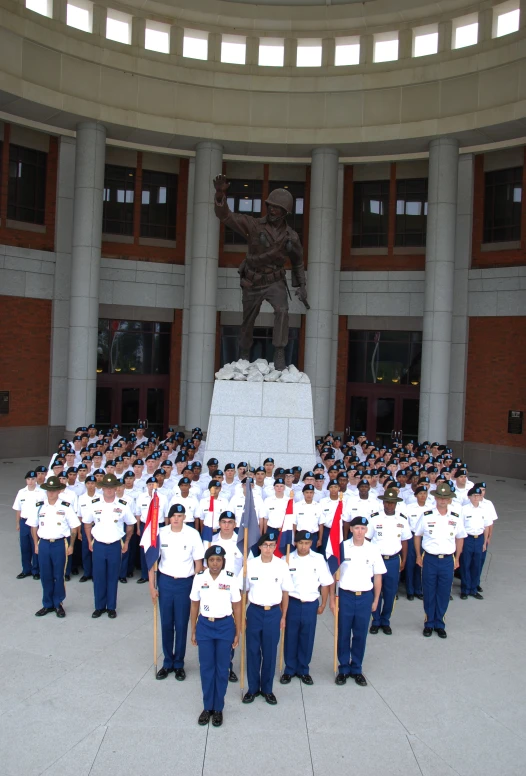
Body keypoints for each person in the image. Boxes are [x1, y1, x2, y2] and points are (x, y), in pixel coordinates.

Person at [213, 176, 308, 369]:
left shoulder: (291, 236)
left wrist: (302, 286)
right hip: (253, 281)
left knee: (282, 310)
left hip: (275, 281)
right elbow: (226, 216)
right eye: (270, 206)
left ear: (285, 212)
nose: (272, 210)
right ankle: (245, 351)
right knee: (248, 319)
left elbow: (298, 261)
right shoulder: (254, 225)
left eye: (277, 207)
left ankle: (280, 352)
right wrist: (220, 195)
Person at [150, 503, 205, 681]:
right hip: (165, 582)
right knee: (166, 623)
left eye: (180, 516)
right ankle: (167, 662)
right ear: (169, 517)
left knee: (181, 624)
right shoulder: (161, 533)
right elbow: (152, 561)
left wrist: (197, 588)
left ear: (184, 518)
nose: (176, 519)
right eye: (173, 515)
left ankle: (179, 663)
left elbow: (198, 564)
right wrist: (152, 587)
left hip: (185, 583)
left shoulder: (192, 534)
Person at [190, 545, 241, 728]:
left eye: (218, 560)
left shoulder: (230, 579)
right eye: (211, 560)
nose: (215, 563)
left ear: (223, 562)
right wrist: (193, 629)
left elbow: (237, 606)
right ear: (207, 561)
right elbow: (194, 604)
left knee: (222, 669)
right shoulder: (199, 578)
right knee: (206, 668)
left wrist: (238, 631)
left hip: (225, 626)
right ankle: (207, 707)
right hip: (205, 625)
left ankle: (218, 708)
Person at [242, 531, 293, 705]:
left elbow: (286, 592)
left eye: (271, 545)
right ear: (260, 547)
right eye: (265, 545)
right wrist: (242, 615)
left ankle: (267, 689)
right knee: (252, 650)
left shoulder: (282, 565)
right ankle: (252, 688)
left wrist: (283, 615)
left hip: (273, 613)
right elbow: (243, 592)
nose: (268, 548)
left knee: (270, 652)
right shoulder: (250, 565)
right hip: (254, 611)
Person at [335, 517, 386, 687]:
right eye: (356, 528)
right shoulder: (342, 547)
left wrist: (376, 599)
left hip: (365, 596)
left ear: (366, 530)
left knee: (360, 634)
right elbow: (334, 574)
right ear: (351, 529)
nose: (359, 532)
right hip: (346, 596)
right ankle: (343, 668)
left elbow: (378, 575)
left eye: (363, 528)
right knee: (343, 633)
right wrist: (334, 600)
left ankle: (356, 667)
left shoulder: (373, 549)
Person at [414, 481, 467, 638]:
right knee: (429, 592)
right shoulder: (426, 516)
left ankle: (440, 623)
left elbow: (460, 538)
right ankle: (429, 622)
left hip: (447, 560)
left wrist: (457, 558)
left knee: (444, 592)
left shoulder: (456, 518)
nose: (443, 500)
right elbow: (417, 535)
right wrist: (418, 555)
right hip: (430, 558)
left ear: (450, 499)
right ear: (436, 498)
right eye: (440, 497)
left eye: (446, 498)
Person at [280, 530, 333, 686]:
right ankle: (289, 669)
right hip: (293, 603)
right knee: (290, 636)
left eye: (307, 543)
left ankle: (303, 669)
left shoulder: (318, 559)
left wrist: (323, 603)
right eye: (301, 543)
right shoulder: (287, 559)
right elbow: (282, 586)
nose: (304, 546)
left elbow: (325, 583)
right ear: (296, 543)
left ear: (312, 543)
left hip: (310, 603)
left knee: (307, 637)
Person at [26, 475, 80, 618]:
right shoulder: (39, 506)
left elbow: (74, 527)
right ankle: (47, 604)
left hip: (59, 544)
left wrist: (71, 545)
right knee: (45, 575)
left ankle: (58, 603)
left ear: (59, 491)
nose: (51, 493)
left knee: (58, 575)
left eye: (54, 490)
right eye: (49, 490)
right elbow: (33, 526)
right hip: (43, 544)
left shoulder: (65, 507)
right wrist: (36, 544)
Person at [83, 473, 136, 619]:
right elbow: (87, 524)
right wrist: (89, 541)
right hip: (99, 545)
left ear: (116, 488)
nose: (109, 490)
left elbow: (131, 524)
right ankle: (99, 607)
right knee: (99, 577)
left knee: (113, 577)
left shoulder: (122, 506)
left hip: (114, 546)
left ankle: (111, 607)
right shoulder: (94, 505)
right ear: (102, 489)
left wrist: (126, 542)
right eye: (106, 488)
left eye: (112, 487)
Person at [366, 487, 411, 635]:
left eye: (392, 503)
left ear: (396, 504)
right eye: (387, 502)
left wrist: (403, 559)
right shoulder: (374, 519)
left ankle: (386, 620)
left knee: (390, 592)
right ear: (383, 503)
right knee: (375, 591)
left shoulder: (402, 520)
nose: (390, 505)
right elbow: (367, 539)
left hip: (393, 560)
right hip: (376, 560)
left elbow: (404, 541)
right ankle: (376, 620)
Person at [459, 486, 492, 600]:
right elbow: (460, 527)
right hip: (467, 538)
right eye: (474, 496)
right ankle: (465, 589)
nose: (476, 497)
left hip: (479, 539)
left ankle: (473, 589)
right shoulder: (464, 509)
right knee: (465, 564)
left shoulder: (484, 509)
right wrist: (461, 542)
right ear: (469, 497)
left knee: (476, 565)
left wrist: (484, 543)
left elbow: (486, 526)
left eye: (478, 495)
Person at [12, 470, 41, 580]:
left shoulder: (41, 492)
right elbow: (18, 509)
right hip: (24, 522)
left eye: (32, 479)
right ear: (26, 480)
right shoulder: (21, 492)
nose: (30, 481)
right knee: (24, 547)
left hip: (36, 523)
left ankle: (36, 570)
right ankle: (26, 570)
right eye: (28, 479)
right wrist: (17, 523)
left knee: (35, 547)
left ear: (36, 479)